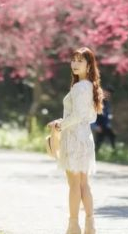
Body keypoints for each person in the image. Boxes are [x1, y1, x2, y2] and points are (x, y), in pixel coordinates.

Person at [47, 47, 104, 234]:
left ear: (89, 65)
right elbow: (85, 116)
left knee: (74, 185)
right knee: (84, 184)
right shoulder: (90, 86)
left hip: (74, 138)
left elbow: (78, 115)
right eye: (73, 60)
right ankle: (90, 225)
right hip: (85, 137)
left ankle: (73, 227)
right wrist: (63, 123)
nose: (75, 64)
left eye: (80, 61)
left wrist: (60, 125)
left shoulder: (80, 87)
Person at [91, 85, 115, 152]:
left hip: (103, 126)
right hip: (94, 125)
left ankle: (113, 151)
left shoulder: (107, 104)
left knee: (112, 135)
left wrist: (108, 125)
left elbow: (107, 116)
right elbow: (91, 114)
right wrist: (95, 126)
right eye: (106, 93)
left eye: (109, 94)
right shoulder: (96, 100)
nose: (107, 95)